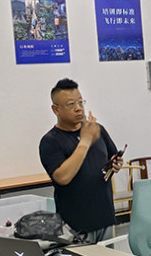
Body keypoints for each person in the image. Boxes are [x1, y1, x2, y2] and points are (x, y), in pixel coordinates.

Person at [39, 78, 123, 243]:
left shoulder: (97, 130)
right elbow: (63, 177)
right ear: (56, 110)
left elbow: (113, 158)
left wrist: (116, 164)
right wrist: (85, 140)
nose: (78, 108)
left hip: (104, 217)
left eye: (80, 102)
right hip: (75, 225)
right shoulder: (50, 141)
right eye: (71, 104)